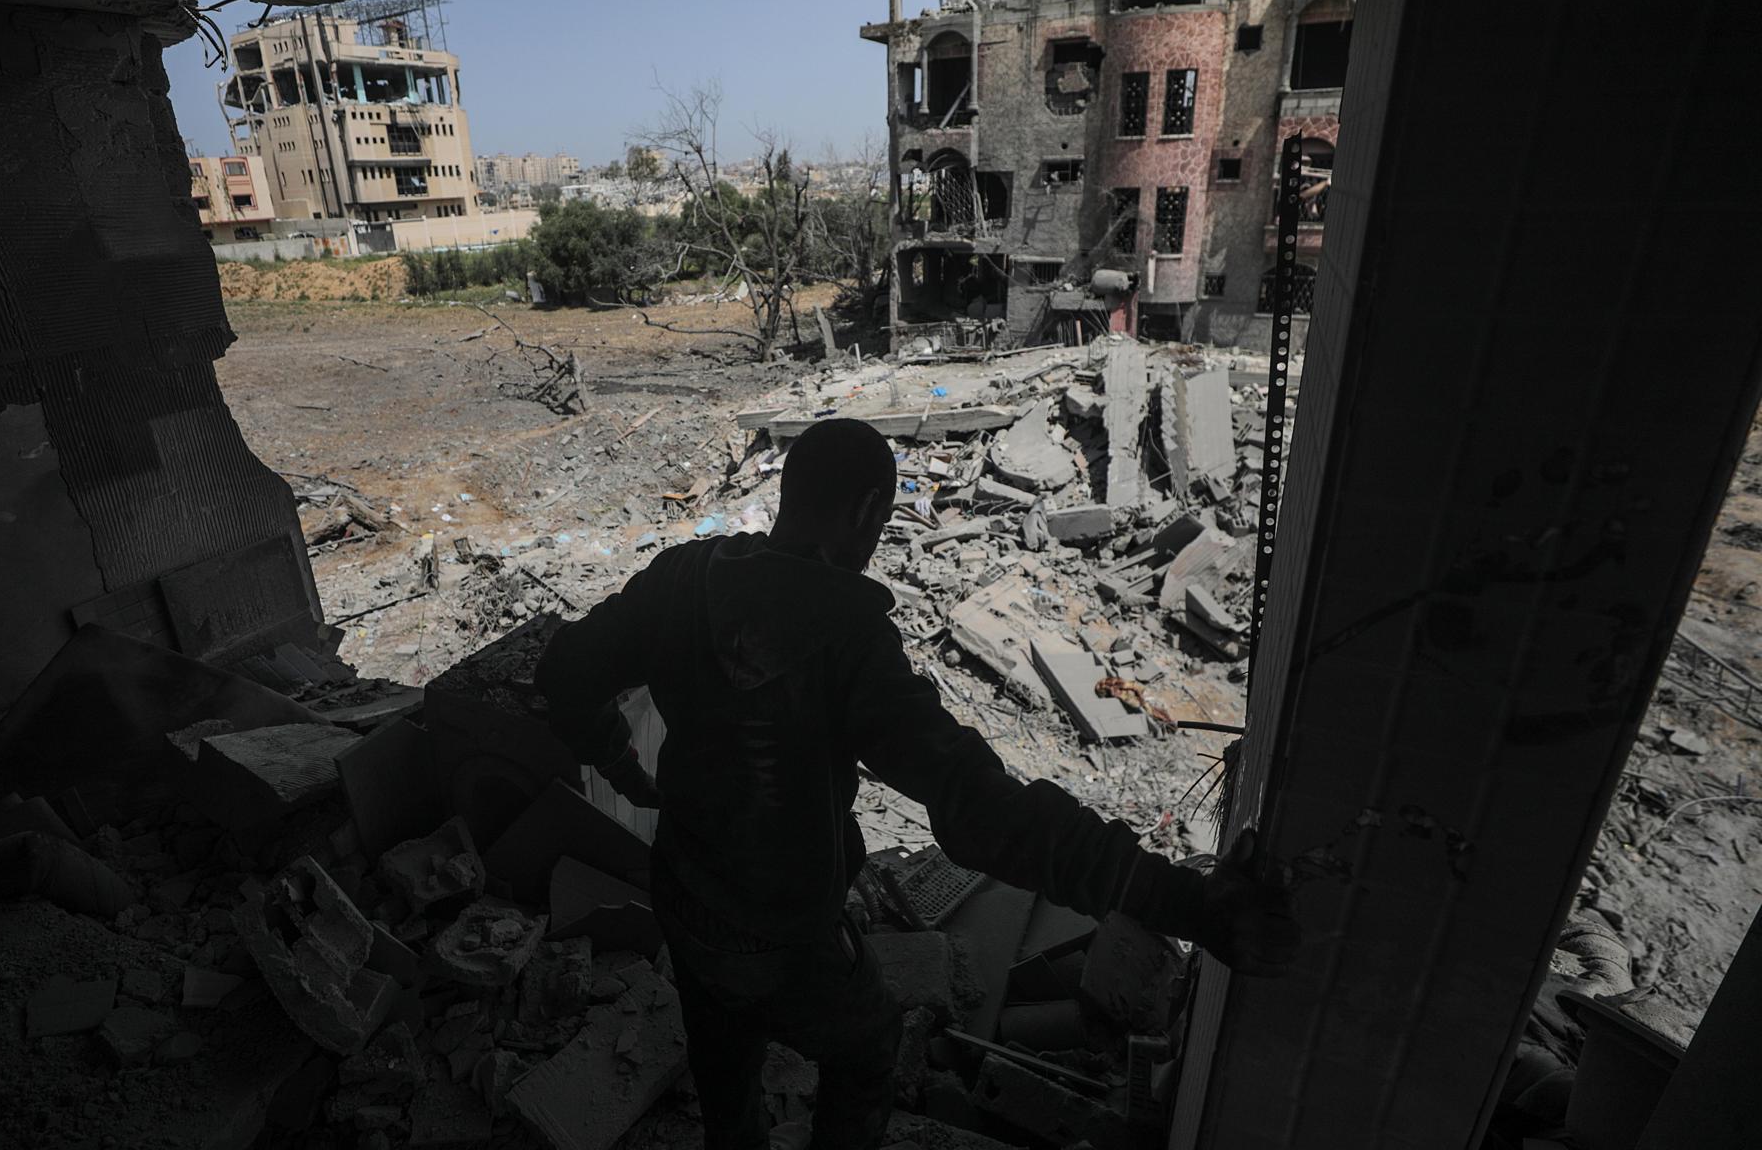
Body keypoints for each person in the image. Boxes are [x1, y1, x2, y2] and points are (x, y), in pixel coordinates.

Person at [534, 418, 1299, 1150]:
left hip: (687, 895)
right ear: (869, 510)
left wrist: (623, 770)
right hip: (784, 933)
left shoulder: (681, 578)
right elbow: (985, 814)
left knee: (721, 1052)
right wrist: (1184, 903)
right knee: (867, 1047)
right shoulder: (850, 643)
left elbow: (563, 668)